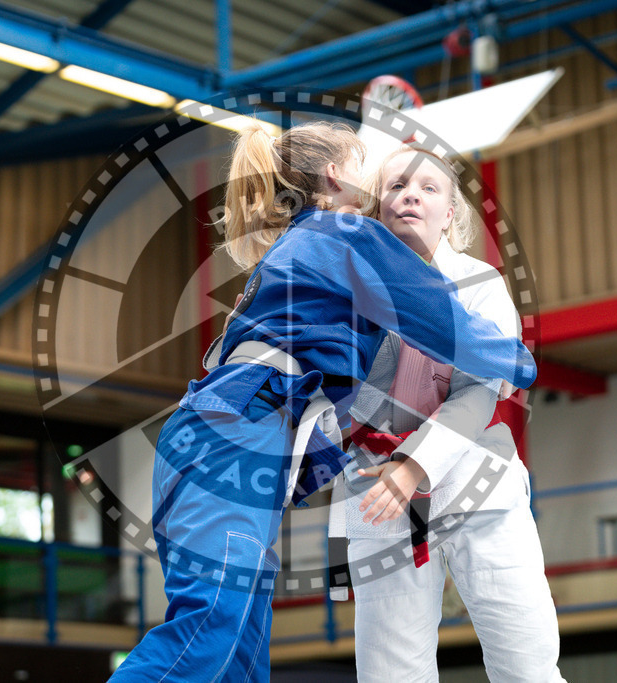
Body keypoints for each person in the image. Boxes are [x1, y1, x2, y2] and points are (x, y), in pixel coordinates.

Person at [109, 123, 537, 682]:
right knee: (210, 628)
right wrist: (520, 363)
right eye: (373, 169)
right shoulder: (345, 236)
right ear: (338, 175)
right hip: (236, 431)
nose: (397, 189)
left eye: (428, 188)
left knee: (241, 651)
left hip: (228, 436)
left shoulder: (305, 246)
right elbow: (444, 322)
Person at [340, 146, 565, 683]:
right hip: (374, 481)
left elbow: (479, 391)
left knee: (525, 656)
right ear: (375, 209)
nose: (411, 194)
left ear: (450, 214)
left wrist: (414, 465)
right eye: (395, 186)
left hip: (473, 472)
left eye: (428, 188)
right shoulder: (346, 288)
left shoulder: (480, 283)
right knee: (388, 669)